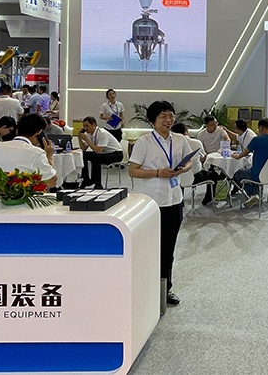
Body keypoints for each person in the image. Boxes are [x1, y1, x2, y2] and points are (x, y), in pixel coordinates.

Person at [128, 101, 193, 307]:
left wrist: (183, 168)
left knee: (168, 248)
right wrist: (157, 172)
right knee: (148, 247)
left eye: (171, 115)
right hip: (151, 203)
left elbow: (189, 161)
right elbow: (133, 171)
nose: (168, 120)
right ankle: (145, 289)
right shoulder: (144, 142)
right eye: (163, 116)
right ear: (153, 120)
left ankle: (166, 289)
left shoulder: (180, 139)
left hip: (174, 200)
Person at [0, 113, 58, 187]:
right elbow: (52, 182)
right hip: (21, 192)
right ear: (39, 132)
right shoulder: (36, 153)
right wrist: (49, 157)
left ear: (17, 130)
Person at [231, 118, 268, 208]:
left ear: (261, 128)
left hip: (257, 173)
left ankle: (254, 195)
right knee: (253, 174)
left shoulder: (257, 140)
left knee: (237, 174)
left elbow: (245, 152)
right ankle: (256, 194)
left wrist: (237, 156)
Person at [175, 122, 224, 205]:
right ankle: (207, 199)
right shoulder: (196, 143)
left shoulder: (173, 145)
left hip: (178, 177)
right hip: (196, 176)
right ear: (186, 130)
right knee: (214, 175)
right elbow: (203, 157)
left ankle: (181, 202)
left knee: (181, 179)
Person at [77, 115, 124, 188]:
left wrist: (87, 140)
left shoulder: (102, 133)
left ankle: (97, 183)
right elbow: (84, 149)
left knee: (95, 156)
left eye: (87, 126)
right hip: (105, 153)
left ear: (94, 125)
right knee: (84, 155)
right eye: (84, 126)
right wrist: (79, 138)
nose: (85, 128)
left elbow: (98, 151)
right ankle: (85, 179)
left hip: (116, 154)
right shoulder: (89, 134)